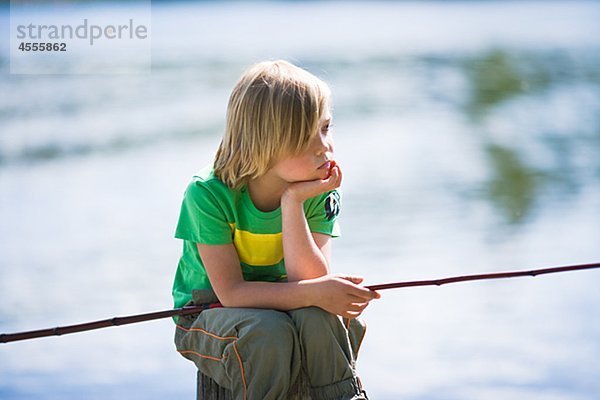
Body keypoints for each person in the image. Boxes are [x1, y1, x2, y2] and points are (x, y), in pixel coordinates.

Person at [172, 60, 380, 400]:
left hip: (286, 299)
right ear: (264, 142)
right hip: (208, 313)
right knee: (267, 333)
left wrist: (293, 202)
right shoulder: (208, 194)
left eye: (326, 128)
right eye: (306, 138)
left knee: (320, 318)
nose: (324, 147)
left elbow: (310, 279)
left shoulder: (315, 188)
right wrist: (313, 292)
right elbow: (233, 294)